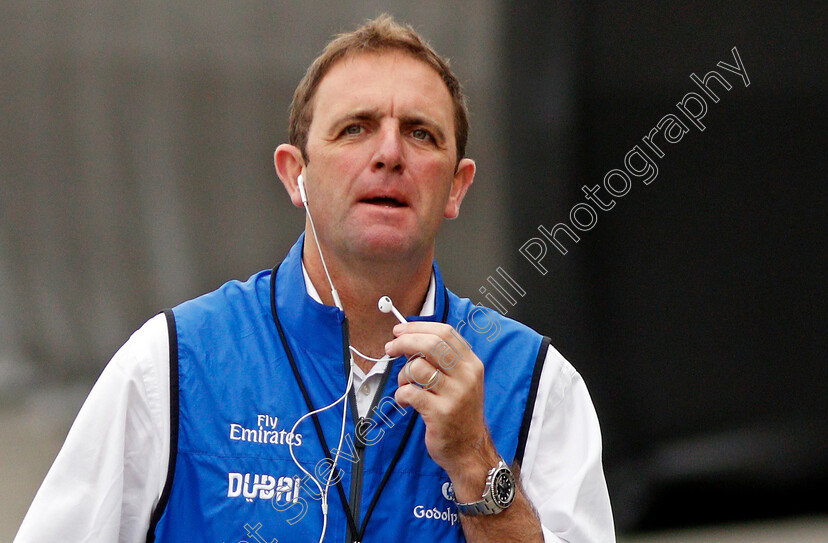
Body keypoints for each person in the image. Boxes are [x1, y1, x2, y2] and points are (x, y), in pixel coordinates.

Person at [15, 14, 615, 543]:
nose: (389, 153)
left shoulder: (539, 386)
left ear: (457, 187)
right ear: (294, 174)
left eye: (420, 133)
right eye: (355, 128)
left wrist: (478, 466)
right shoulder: (172, 365)